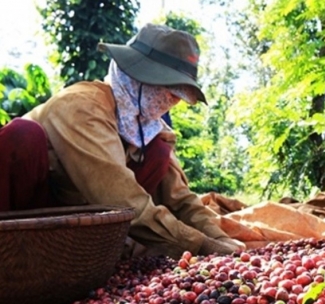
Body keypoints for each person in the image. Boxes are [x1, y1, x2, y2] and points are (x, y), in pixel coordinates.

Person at [0, 23, 244, 259]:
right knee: (22, 135)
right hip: (29, 212)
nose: (175, 101)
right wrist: (199, 245)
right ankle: (13, 257)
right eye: (171, 91)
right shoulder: (83, 107)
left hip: (76, 226)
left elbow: (179, 198)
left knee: (159, 152)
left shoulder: (148, 128)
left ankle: (89, 254)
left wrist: (219, 238)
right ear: (139, 77)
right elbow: (119, 198)